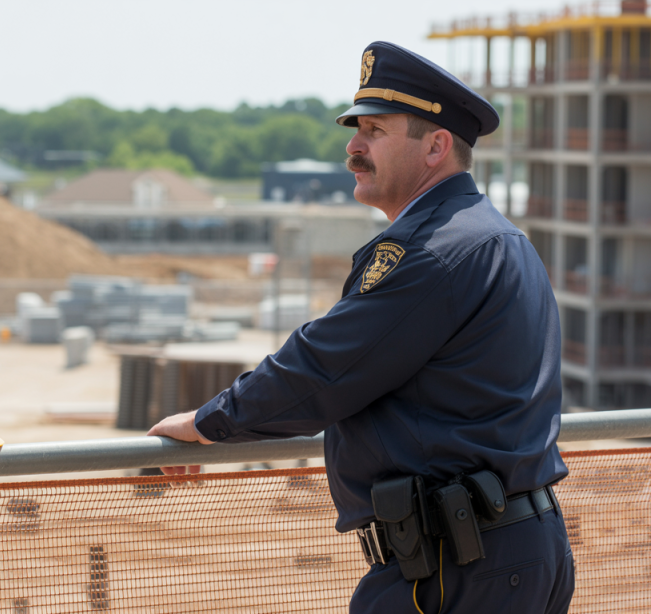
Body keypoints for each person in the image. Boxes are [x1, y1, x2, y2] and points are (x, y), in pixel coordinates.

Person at [148, 41, 574, 614]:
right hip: (511, 550)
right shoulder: (498, 236)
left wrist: (209, 420)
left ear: (436, 146)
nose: (353, 147)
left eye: (374, 130)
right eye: (355, 130)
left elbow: (323, 367)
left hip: (457, 565)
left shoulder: (430, 250)